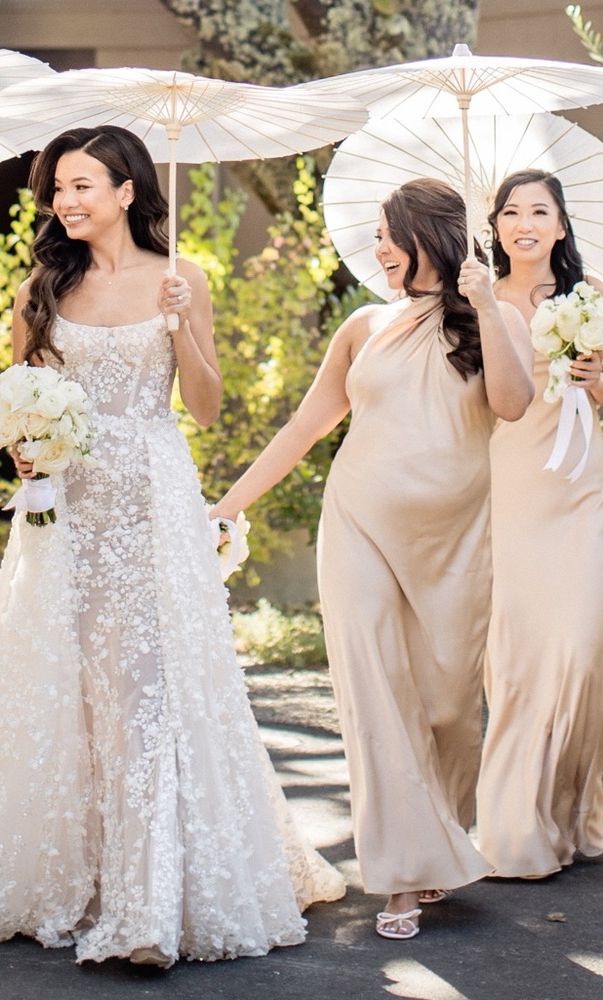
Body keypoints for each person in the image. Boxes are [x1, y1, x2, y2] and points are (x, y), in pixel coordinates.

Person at [0, 125, 345, 966]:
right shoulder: (44, 285)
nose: (65, 202)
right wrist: (24, 448)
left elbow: (210, 408)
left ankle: (146, 909)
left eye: (82, 186)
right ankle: (71, 876)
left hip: (153, 501)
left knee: (148, 686)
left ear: (126, 191)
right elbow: (20, 404)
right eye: (57, 189)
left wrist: (183, 329)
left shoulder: (184, 277)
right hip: (66, 507)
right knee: (64, 685)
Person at [210, 178, 534, 941]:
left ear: (431, 233)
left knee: (449, 707)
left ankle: (438, 837)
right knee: (377, 700)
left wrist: (489, 303)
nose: (379, 247)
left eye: (388, 232)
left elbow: (514, 405)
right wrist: (227, 503)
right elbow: (305, 426)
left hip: (456, 542)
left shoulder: (496, 315)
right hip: (357, 526)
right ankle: (397, 874)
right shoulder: (362, 325)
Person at [476, 169, 603, 878]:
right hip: (509, 489)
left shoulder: (595, 300)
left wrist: (600, 382)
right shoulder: (478, 301)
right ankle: (517, 825)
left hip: (583, 487)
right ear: (496, 227)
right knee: (519, 659)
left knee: (583, 651)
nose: (523, 222)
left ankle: (576, 809)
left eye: (539, 211)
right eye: (511, 211)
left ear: (560, 226)